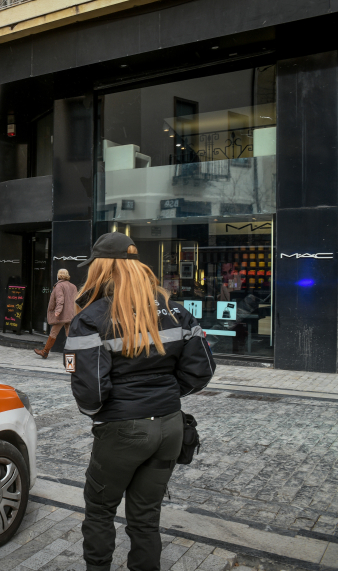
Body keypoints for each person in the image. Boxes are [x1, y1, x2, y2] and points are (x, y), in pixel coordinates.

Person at [63, 233, 215, 571]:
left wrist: (110, 411)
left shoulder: (91, 317)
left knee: (100, 510)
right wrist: (164, 393)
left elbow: (90, 392)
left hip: (123, 429)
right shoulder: (176, 311)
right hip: (170, 426)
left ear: (101, 269)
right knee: (147, 516)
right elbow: (201, 370)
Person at [35, 268, 78, 359]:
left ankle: (45, 352)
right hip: (71, 314)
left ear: (59, 275)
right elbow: (76, 300)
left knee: (53, 333)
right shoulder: (73, 286)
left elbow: (60, 299)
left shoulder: (59, 286)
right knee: (70, 334)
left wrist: (58, 311)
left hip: (62, 315)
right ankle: (73, 353)